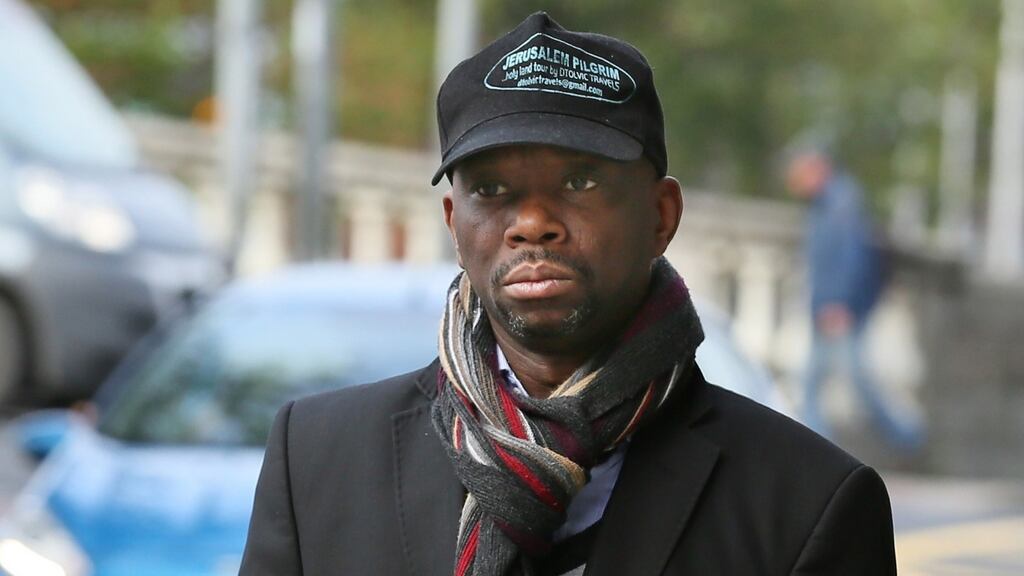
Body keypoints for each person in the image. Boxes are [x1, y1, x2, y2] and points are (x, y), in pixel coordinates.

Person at [241, 13, 896, 576]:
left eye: (580, 183)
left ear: (661, 216)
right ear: (453, 224)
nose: (532, 222)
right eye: (491, 189)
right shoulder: (317, 457)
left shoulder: (810, 502)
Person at [786, 148, 924, 450]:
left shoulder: (841, 202)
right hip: (826, 308)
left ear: (818, 168)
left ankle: (908, 438)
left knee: (855, 381)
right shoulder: (824, 203)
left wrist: (839, 302)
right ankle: (815, 446)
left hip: (840, 309)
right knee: (812, 381)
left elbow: (851, 257)